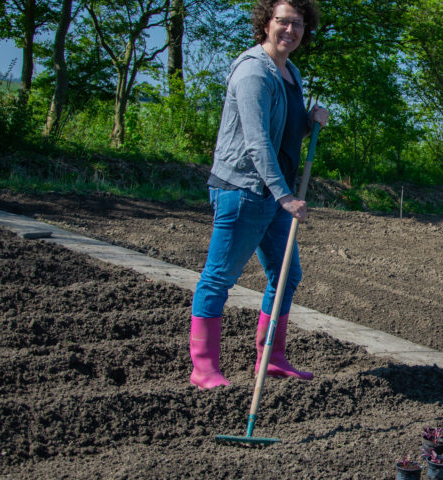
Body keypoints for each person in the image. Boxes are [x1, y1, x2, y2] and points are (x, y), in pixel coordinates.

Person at [187, 0, 329, 390]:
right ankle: (203, 367)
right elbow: (256, 142)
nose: (290, 30)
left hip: (275, 191)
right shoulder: (253, 72)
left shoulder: (290, 72)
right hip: (244, 189)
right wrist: (284, 196)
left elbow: (284, 132)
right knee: (219, 278)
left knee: (286, 276)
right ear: (266, 23)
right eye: (283, 21)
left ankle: (272, 357)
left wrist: (310, 123)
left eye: (298, 24)